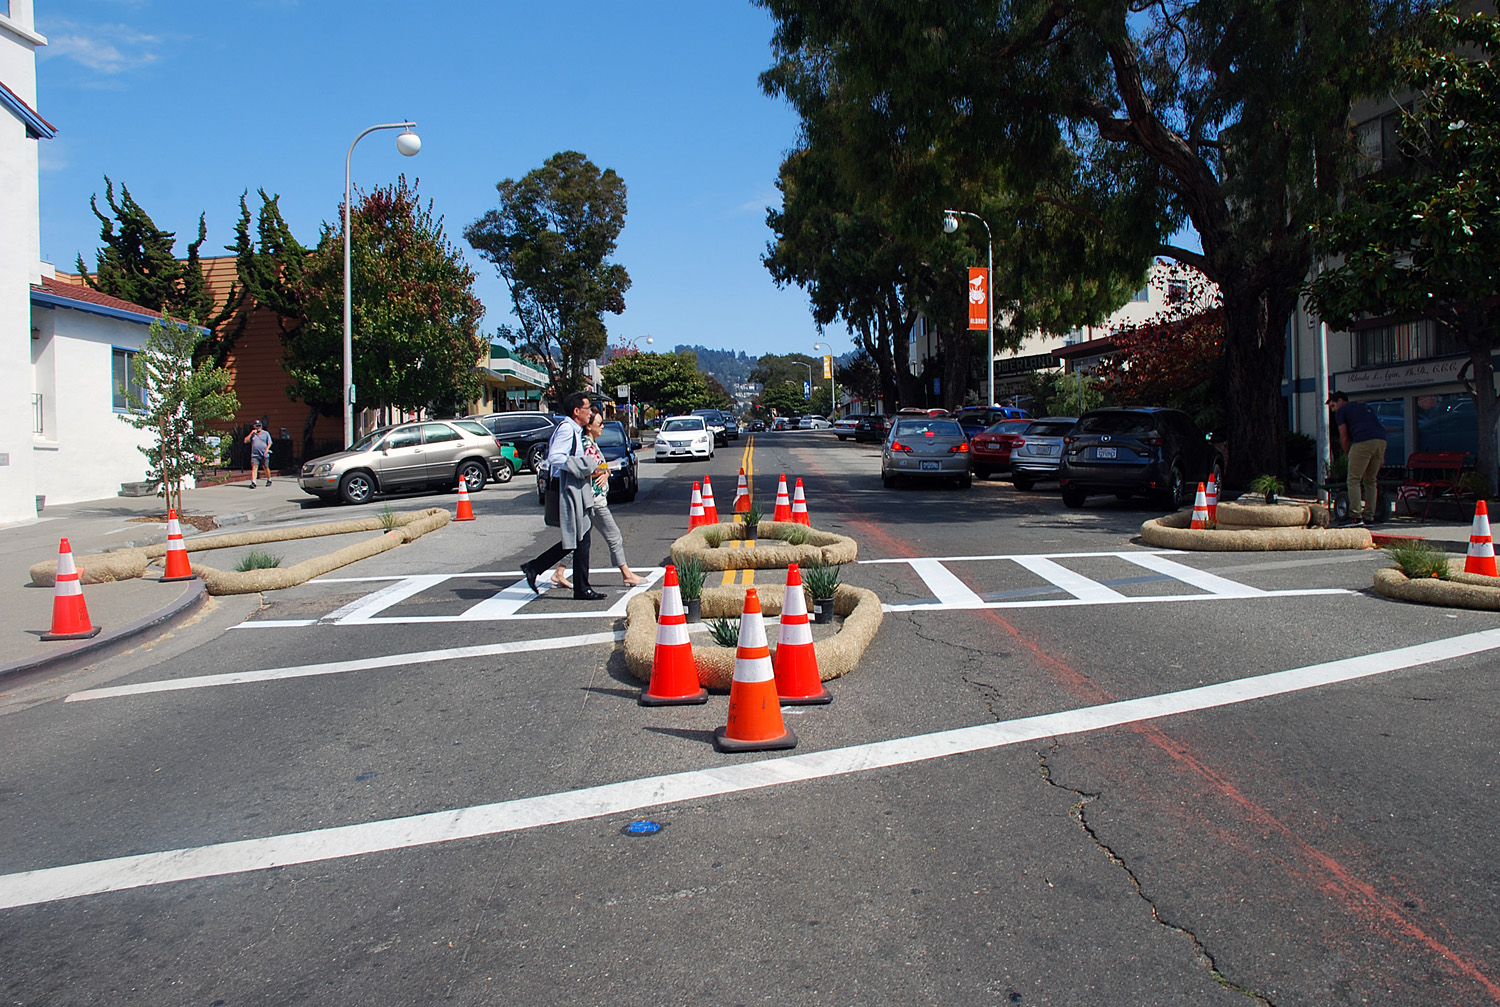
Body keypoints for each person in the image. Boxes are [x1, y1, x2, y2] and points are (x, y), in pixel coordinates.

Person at [520, 392, 603, 600]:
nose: (590, 413)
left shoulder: (574, 429)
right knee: (580, 537)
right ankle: (581, 588)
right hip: (567, 487)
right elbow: (555, 457)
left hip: (573, 485)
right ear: (577, 412)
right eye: (587, 409)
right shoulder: (567, 429)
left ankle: (535, 567)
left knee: (579, 536)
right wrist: (581, 466)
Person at [554, 408, 644, 589]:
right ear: (589, 427)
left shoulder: (591, 443)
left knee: (580, 537)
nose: (602, 426)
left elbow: (599, 466)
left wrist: (607, 470)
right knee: (614, 536)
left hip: (594, 498)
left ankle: (559, 572)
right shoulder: (586, 444)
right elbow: (586, 469)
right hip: (594, 499)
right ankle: (626, 574)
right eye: (599, 424)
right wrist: (602, 471)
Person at [1329, 391, 1388, 526]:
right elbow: (1376, 427)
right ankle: (1369, 516)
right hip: (1381, 441)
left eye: (1333, 406)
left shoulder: (1342, 411)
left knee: (1354, 479)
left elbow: (1343, 436)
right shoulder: (1364, 407)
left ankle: (1355, 516)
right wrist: (1382, 456)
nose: (1333, 410)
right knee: (1371, 481)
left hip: (1362, 441)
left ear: (1340, 401)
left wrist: (1348, 453)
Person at [243, 420, 272, 488]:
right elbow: (245, 440)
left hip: (264, 453)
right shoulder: (253, 434)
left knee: (266, 467)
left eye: (259, 426)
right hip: (255, 454)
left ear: (261, 426)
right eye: (256, 426)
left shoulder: (266, 433)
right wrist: (251, 434)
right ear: (254, 426)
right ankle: (253, 482)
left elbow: (270, 443)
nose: (258, 427)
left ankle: (269, 479)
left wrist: (267, 449)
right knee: (254, 467)